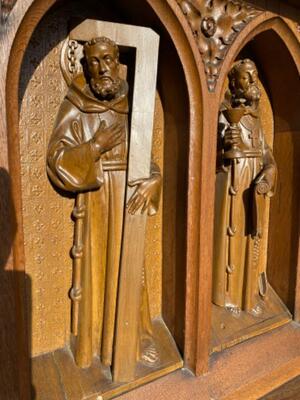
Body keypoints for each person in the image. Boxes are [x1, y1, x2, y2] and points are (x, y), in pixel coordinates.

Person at [47, 37, 161, 369]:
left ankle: (137, 337)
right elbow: (57, 158)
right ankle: (99, 343)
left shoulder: (131, 104)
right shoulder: (76, 103)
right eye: (94, 61)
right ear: (85, 66)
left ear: (117, 61)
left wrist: (154, 179)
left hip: (130, 197)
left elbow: (147, 159)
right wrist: (94, 146)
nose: (102, 68)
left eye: (108, 59)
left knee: (132, 266)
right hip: (98, 199)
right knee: (100, 269)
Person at [213, 59, 277, 315]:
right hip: (230, 183)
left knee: (250, 238)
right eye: (245, 77)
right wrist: (222, 149)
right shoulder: (224, 113)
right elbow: (206, 158)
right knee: (230, 238)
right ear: (234, 82)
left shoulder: (256, 119)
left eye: (254, 76)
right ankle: (226, 295)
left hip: (251, 184)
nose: (252, 82)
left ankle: (246, 294)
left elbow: (266, 154)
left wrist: (267, 173)